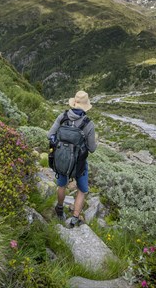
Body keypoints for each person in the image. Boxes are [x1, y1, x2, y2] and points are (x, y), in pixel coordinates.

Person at [47, 90, 97, 228]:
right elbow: (92, 148)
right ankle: (74, 218)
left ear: (74, 103)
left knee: (61, 184)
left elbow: (49, 135)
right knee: (82, 189)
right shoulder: (88, 124)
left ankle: (60, 209)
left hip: (62, 160)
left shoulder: (62, 117)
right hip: (79, 163)